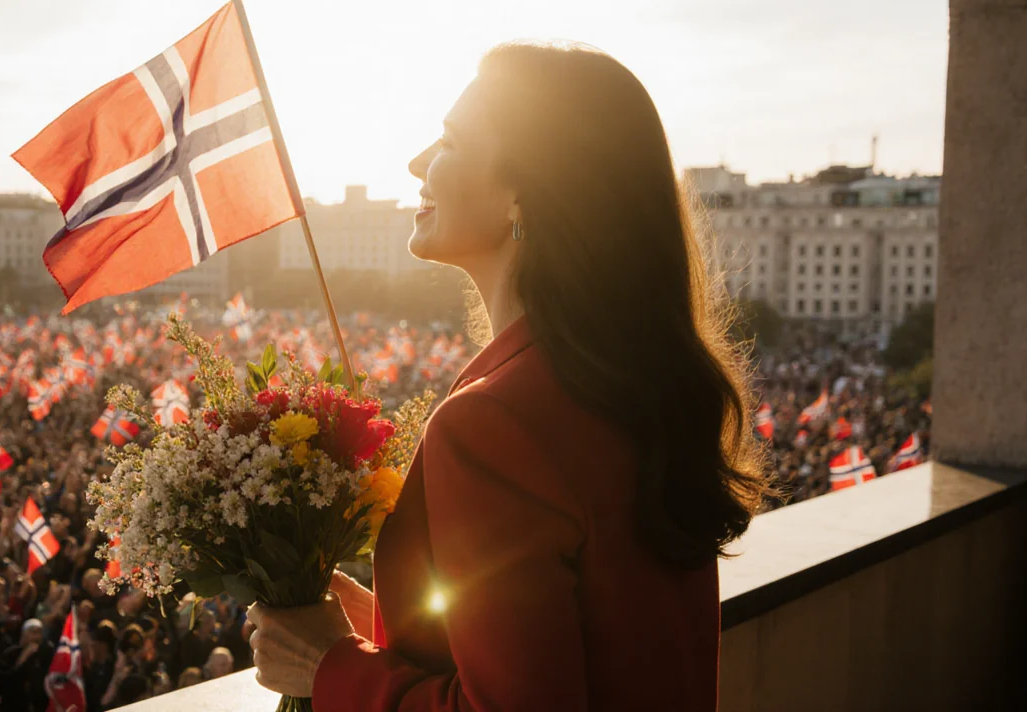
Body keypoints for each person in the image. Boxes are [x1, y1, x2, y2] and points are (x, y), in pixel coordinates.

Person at [245, 43, 772, 710]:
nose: (416, 164)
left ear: (521, 191)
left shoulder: (495, 422)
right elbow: (587, 645)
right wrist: (374, 626)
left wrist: (330, 666)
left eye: (450, 141)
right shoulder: (628, 383)